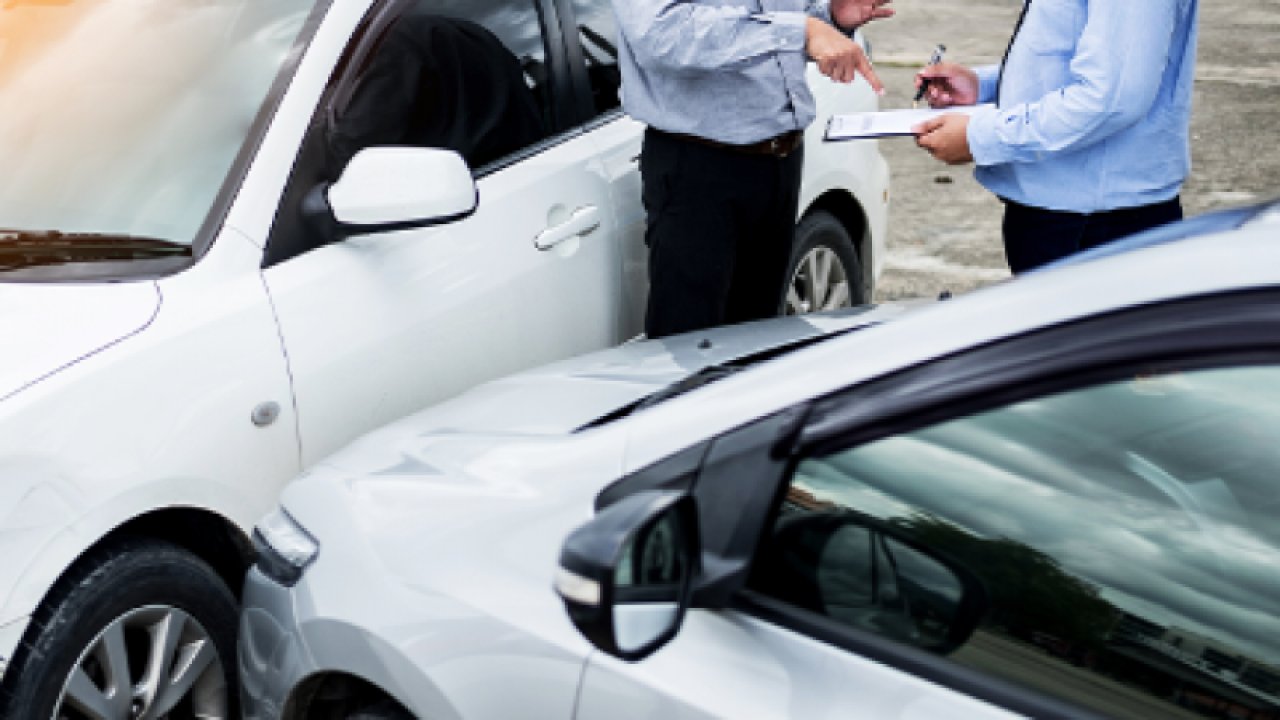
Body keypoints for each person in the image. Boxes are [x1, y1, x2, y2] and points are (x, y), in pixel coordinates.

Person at [611, 0, 893, 338]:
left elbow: (784, 23)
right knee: (692, 350)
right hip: (700, 169)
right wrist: (802, 31)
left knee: (758, 340)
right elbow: (663, 36)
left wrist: (829, 17)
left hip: (780, 159)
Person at [912, 0, 1200, 273]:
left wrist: (981, 138)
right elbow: (1074, 57)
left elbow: (1112, 100)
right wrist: (984, 86)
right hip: (1066, 211)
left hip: (1100, 222)